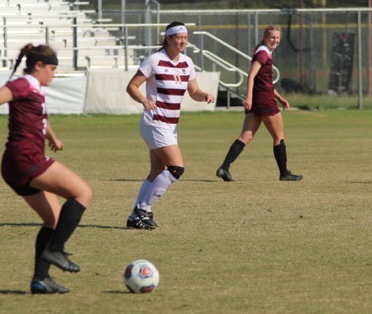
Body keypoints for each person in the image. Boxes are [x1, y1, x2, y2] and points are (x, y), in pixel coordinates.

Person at [0, 44, 92, 294]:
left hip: (16, 164)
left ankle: (40, 280)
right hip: (25, 159)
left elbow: (39, 117)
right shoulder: (23, 84)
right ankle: (56, 249)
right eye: (51, 69)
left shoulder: (35, 88)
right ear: (38, 66)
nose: (53, 74)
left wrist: (51, 136)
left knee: (53, 219)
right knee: (83, 193)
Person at [125, 21, 215, 230]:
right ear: (168, 38)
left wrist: (205, 95)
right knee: (176, 168)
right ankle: (142, 210)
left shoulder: (187, 62)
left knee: (158, 171)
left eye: (185, 37)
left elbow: (194, 92)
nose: (183, 41)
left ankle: (134, 216)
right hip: (154, 122)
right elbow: (132, 86)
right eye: (179, 37)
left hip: (171, 126)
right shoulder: (154, 60)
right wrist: (143, 100)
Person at [216, 25, 303, 182]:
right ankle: (284, 173)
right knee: (279, 137)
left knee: (246, 137)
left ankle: (224, 167)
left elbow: (265, 83)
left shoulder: (264, 51)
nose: (275, 40)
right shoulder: (263, 53)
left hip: (260, 99)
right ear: (265, 37)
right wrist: (248, 97)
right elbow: (251, 76)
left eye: (277, 38)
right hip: (263, 100)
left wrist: (280, 98)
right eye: (272, 37)